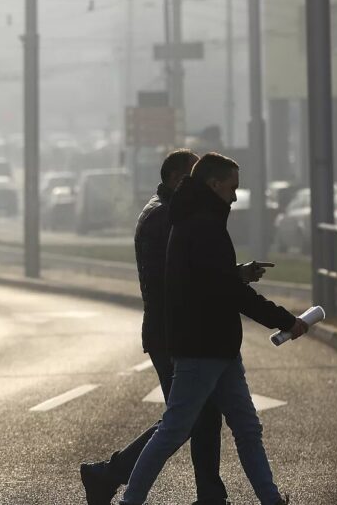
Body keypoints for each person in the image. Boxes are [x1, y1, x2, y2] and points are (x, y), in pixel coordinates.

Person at [118, 152, 308, 505]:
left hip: (218, 347)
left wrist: (238, 279)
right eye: (233, 188)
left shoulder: (197, 219)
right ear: (214, 184)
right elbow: (229, 291)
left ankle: (271, 499)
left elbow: (212, 279)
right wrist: (286, 320)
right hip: (201, 347)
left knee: (247, 428)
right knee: (173, 430)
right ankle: (131, 500)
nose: (236, 197)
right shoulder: (201, 224)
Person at [80, 148, 231, 505]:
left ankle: (209, 495)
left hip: (169, 331)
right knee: (188, 417)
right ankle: (109, 474)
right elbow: (179, 277)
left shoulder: (162, 211)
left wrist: (231, 274)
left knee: (198, 415)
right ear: (179, 179)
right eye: (195, 178)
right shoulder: (165, 217)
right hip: (171, 334)